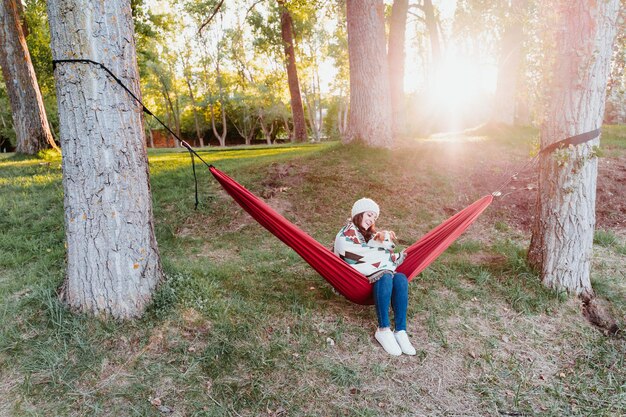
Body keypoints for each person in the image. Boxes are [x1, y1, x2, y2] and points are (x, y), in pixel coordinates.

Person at [334, 197, 416, 356]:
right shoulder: (346, 233)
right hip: (355, 280)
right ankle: (384, 329)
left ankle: (400, 331)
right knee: (385, 276)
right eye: (369, 215)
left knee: (400, 279)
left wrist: (386, 256)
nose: (371, 219)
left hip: (374, 278)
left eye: (374, 217)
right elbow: (352, 254)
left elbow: (378, 252)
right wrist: (391, 257)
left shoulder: (371, 235)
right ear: (359, 214)